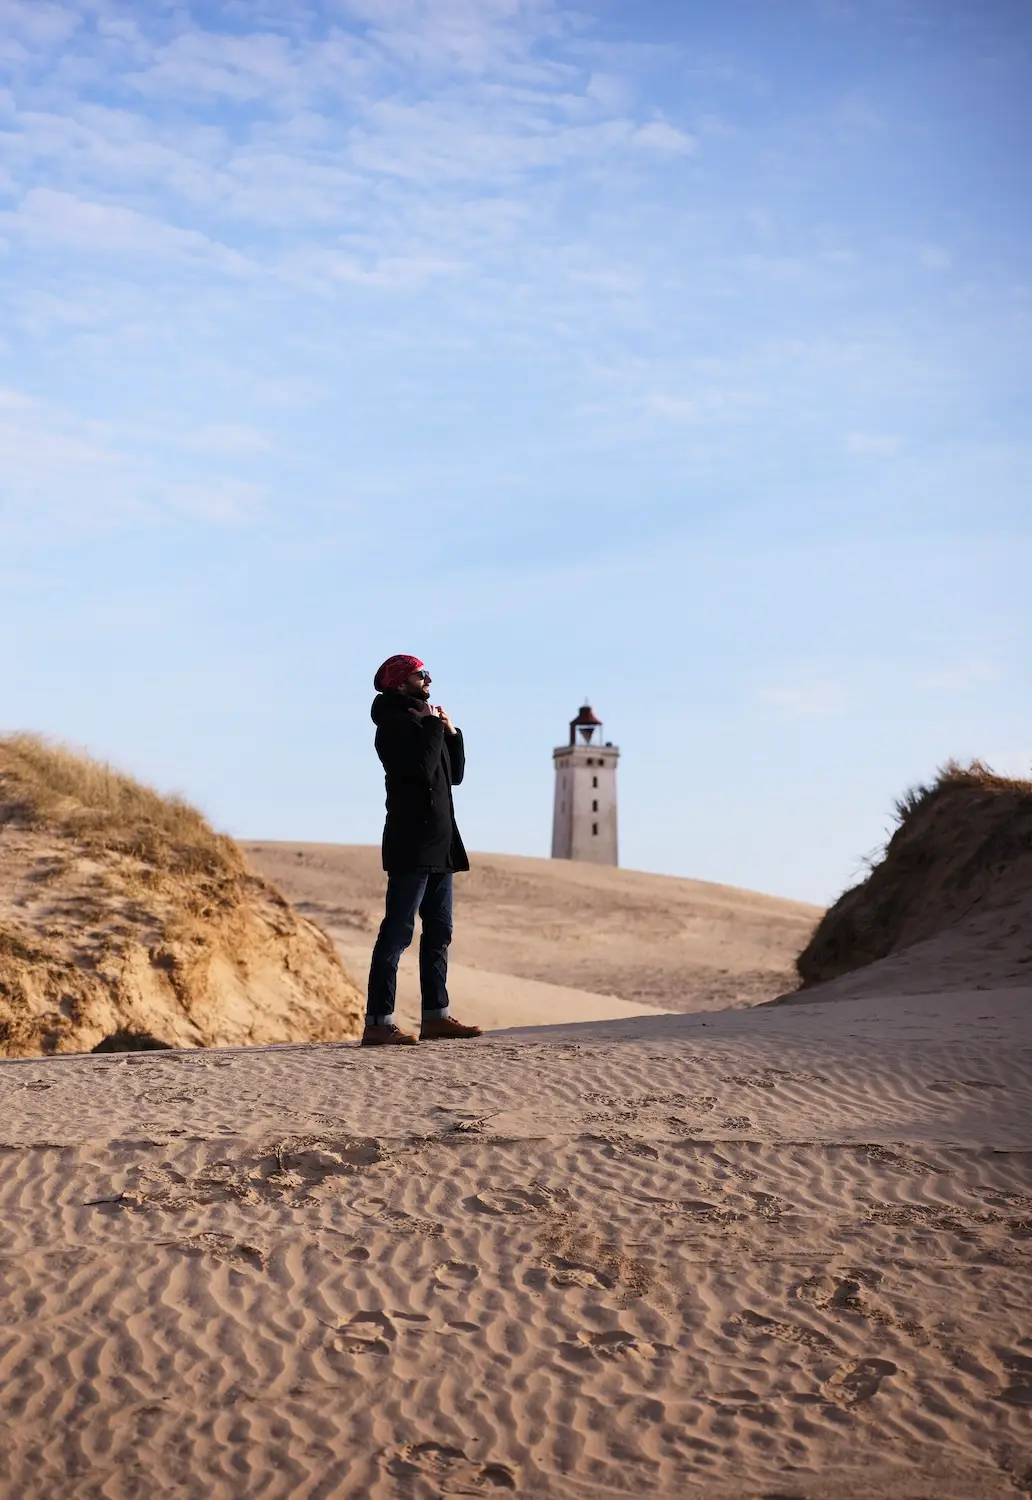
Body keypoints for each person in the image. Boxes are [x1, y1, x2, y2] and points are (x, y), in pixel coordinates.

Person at [362, 654, 483, 1046]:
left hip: (441, 844)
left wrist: (451, 732)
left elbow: (455, 775)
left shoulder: (424, 720)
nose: (429, 680)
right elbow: (420, 770)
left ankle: (436, 1016)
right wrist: (432, 726)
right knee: (397, 932)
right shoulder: (393, 725)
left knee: (440, 932)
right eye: (421, 675)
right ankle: (379, 1022)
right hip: (411, 842)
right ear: (401, 683)